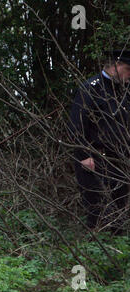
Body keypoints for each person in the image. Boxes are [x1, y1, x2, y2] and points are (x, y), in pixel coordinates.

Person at [69, 50, 130, 234]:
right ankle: (95, 248)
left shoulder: (124, 89)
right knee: (97, 208)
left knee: (120, 206)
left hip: (120, 159)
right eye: (128, 70)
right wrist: (84, 156)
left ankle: (116, 248)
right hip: (95, 158)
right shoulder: (91, 88)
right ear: (116, 66)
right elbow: (76, 126)